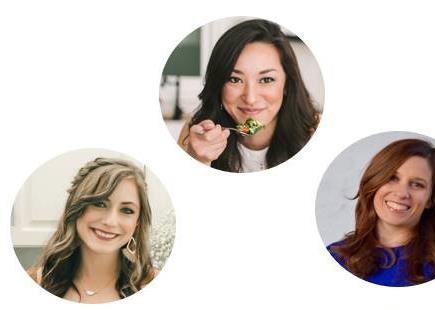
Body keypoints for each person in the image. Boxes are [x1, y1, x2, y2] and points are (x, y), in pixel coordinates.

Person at [178, 19, 319, 172]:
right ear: (219, 84)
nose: (250, 98)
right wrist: (199, 161)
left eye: (266, 80)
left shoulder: (316, 132)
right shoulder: (197, 135)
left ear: (287, 84)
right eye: (235, 79)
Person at [327, 139, 435, 286]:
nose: (402, 193)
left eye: (417, 184)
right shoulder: (335, 256)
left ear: (430, 199)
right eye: (392, 178)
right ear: (374, 183)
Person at [27, 158, 155, 303]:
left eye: (127, 210)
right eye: (99, 203)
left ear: (137, 222)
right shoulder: (37, 281)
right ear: (75, 208)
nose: (110, 221)